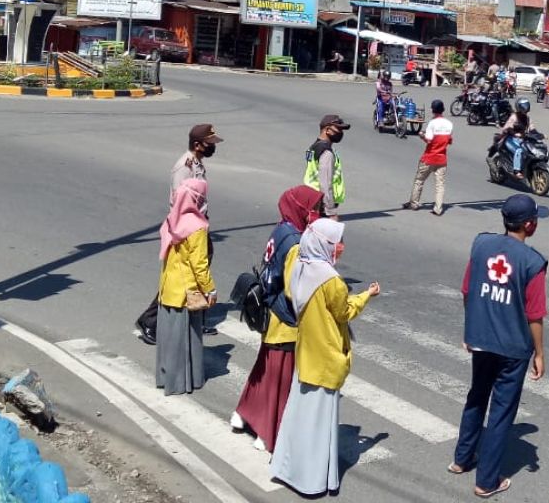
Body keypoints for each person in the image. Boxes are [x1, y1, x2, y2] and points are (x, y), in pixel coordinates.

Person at [269, 219, 380, 495]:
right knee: (319, 421)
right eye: (336, 242)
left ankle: (287, 469)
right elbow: (344, 313)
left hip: (306, 351)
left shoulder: (299, 266)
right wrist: (367, 295)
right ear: (324, 244)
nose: (340, 246)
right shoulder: (331, 281)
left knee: (299, 414)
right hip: (326, 354)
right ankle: (312, 479)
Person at [450, 194, 548, 499]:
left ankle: (462, 459)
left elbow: (467, 290)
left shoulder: (481, 244)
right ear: (529, 225)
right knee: (502, 412)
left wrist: (472, 329)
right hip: (512, 347)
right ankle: (487, 481)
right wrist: (540, 353)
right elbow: (534, 314)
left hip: (481, 339)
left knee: (477, 396)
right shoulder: (532, 262)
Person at [231, 186, 325, 452]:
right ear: (299, 207)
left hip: (269, 312)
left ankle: (243, 414)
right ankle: (267, 432)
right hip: (285, 319)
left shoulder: (281, 229)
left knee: (264, 370)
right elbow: (294, 288)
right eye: (312, 207)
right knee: (280, 378)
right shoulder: (295, 242)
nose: (314, 213)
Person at [136, 124, 223, 345]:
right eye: (209, 144)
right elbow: (179, 203)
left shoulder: (197, 163)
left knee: (198, 271)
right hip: (187, 229)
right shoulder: (183, 167)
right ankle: (150, 320)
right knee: (182, 276)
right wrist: (184, 233)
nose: (212, 147)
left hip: (199, 225)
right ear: (197, 145)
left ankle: (198, 316)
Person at [155, 178, 216, 396]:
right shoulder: (198, 227)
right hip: (186, 291)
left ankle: (166, 379)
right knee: (186, 339)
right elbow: (199, 264)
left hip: (168, 287)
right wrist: (210, 289)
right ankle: (182, 383)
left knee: (169, 340)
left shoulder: (172, 220)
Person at [404, 99, 454, 216]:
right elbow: (450, 140)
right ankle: (438, 208)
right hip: (442, 159)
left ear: (433, 110)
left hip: (429, 157)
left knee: (419, 180)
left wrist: (421, 135)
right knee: (440, 185)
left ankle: (414, 203)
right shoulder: (449, 124)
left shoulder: (432, 123)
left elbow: (429, 140)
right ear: (442, 110)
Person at [304, 115, 349, 219]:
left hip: (313, 200)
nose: (341, 133)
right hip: (321, 204)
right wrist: (330, 211)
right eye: (338, 129)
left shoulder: (314, 147)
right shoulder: (326, 152)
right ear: (327, 129)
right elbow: (325, 182)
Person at [496, 98, 531, 180]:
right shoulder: (514, 117)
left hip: (521, 140)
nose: (525, 108)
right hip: (509, 139)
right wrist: (514, 133)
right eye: (524, 107)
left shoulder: (527, 118)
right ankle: (516, 171)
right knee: (519, 150)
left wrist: (540, 135)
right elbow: (507, 127)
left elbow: (531, 128)